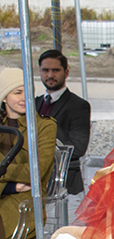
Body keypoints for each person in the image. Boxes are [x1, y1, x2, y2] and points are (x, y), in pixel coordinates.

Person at [0, 67, 57, 239]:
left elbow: (36, 171)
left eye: (28, 91)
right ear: (4, 97)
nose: (24, 98)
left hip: (24, 204)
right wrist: (11, 186)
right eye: (18, 92)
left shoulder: (44, 126)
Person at [36, 49, 91, 194]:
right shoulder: (33, 104)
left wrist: (40, 153)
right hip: (35, 179)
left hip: (63, 184)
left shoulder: (78, 106)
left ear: (66, 73)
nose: (50, 75)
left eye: (55, 70)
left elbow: (78, 148)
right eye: (45, 70)